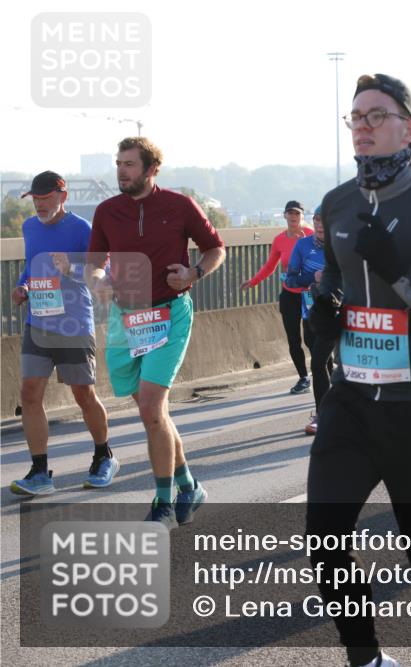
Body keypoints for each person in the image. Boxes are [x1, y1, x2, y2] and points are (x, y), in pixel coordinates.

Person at [305, 73, 411, 667]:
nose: (362, 126)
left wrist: (398, 273)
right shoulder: (337, 203)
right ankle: (367, 659)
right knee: (324, 541)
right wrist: (326, 311)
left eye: (376, 116)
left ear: (409, 128)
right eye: (355, 117)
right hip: (351, 399)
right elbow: (334, 280)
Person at [85, 136, 225, 527]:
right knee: (154, 414)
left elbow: (216, 248)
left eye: (129, 164)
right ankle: (189, 485)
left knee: (150, 408)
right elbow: (94, 264)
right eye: (118, 163)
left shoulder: (180, 205)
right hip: (126, 320)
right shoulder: (107, 211)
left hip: (169, 314)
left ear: (151, 169)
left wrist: (194, 272)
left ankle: (163, 502)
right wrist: (98, 281)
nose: (121, 171)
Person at [10, 171, 115, 496]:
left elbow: (105, 272)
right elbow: (31, 267)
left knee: (83, 395)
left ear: (63, 197)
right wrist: (24, 286)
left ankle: (104, 456)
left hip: (73, 324)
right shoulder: (29, 227)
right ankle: (40, 472)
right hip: (38, 322)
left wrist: (71, 268)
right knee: (29, 394)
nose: (39, 205)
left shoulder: (82, 229)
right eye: (35, 199)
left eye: (45, 198)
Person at [241, 201, 315, 394]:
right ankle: (303, 378)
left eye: (297, 213)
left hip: (309, 294)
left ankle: (326, 370)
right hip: (289, 294)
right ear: (284, 216)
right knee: (293, 339)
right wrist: (253, 281)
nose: (293, 217)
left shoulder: (312, 236)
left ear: (302, 216)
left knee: (312, 338)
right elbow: (270, 266)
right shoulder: (279, 240)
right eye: (290, 213)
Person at [285, 205, 337, 434]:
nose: (319, 224)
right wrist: (312, 277)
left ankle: (322, 415)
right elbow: (290, 279)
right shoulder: (302, 245)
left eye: (324, 219)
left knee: (317, 362)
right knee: (322, 359)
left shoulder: (341, 247)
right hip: (311, 311)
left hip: (336, 312)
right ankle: (337, 407)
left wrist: (332, 278)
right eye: (316, 219)